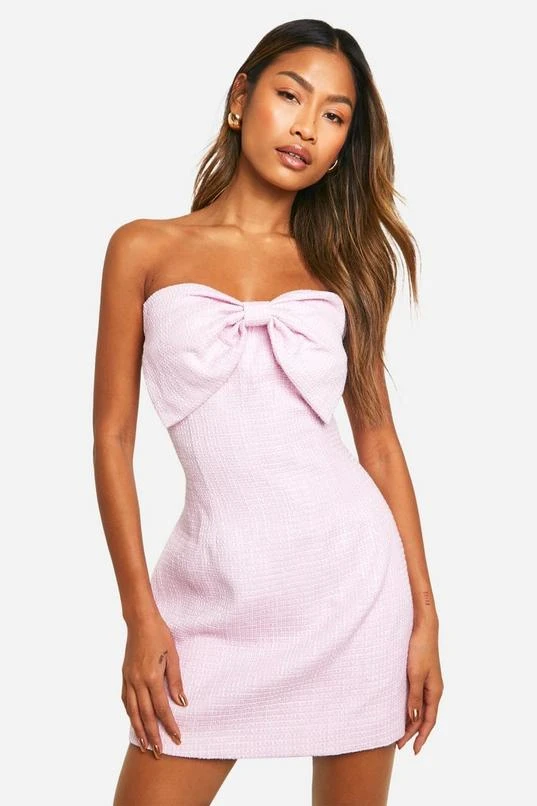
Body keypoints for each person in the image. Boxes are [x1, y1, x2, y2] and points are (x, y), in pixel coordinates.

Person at [93, 18, 444, 806]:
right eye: (290, 96)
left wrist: (425, 618)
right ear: (240, 97)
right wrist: (140, 616)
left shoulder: (344, 265)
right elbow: (111, 439)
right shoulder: (143, 248)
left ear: (344, 143)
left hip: (354, 595)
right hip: (209, 603)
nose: (306, 127)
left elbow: (379, 445)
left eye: (333, 115)